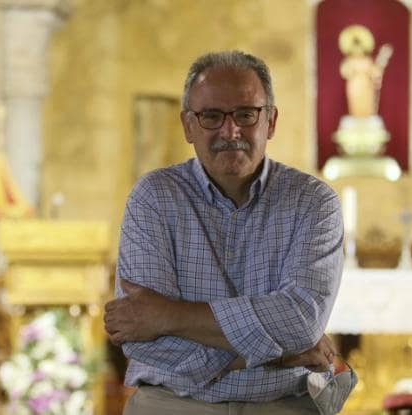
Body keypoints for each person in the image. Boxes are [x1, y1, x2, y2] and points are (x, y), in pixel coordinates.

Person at [104, 50, 345, 414]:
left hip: (282, 404)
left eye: (246, 114)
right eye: (211, 116)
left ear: (271, 121)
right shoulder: (153, 197)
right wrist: (284, 355)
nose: (230, 131)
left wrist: (167, 316)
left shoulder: (314, 202)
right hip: (173, 403)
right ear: (188, 125)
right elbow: (142, 343)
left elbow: (300, 322)